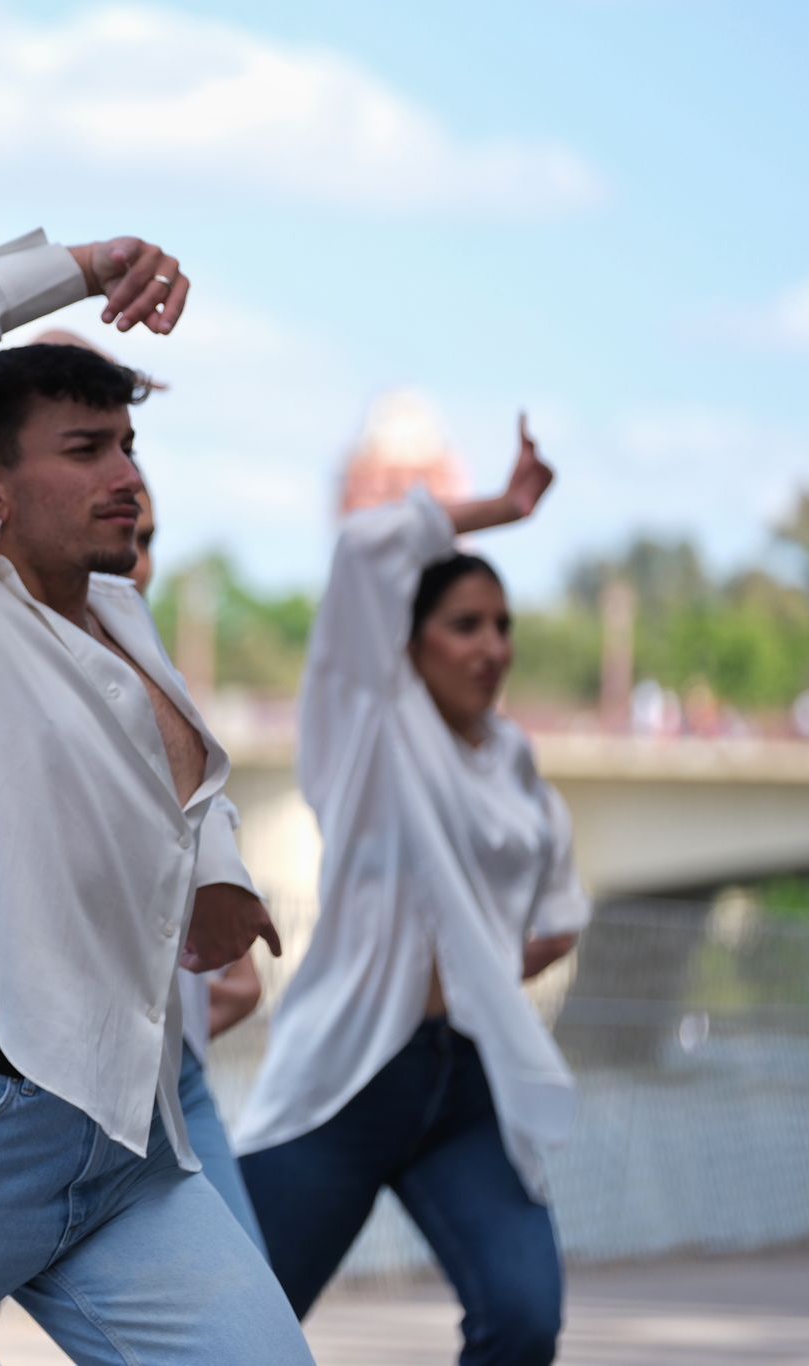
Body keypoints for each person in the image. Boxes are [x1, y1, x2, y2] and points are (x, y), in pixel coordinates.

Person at [0, 232, 312, 1363]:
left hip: (123, 1144)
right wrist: (89, 266)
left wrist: (219, 880)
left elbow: (174, 783)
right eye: (85, 449)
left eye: (127, 445)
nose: (126, 475)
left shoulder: (118, 614)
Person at [233, 419, 590, 1366]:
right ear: (410, 641)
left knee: (523, 1321)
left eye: (503, 626)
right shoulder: (368, 728)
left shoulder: (518, 769)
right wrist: (506, 510)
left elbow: (560, 919)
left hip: (468, 1082)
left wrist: (478, 965)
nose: (491, 647)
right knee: (233, 1335)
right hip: (349, 1075)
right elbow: (363, 546)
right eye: (465, 625)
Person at [34, 326, 268, 1251]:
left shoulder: (143, 655)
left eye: (151, 538)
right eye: (86, 450)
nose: (135, 554)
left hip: (167, 1081)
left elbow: (236, 972)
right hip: (8, 1082)